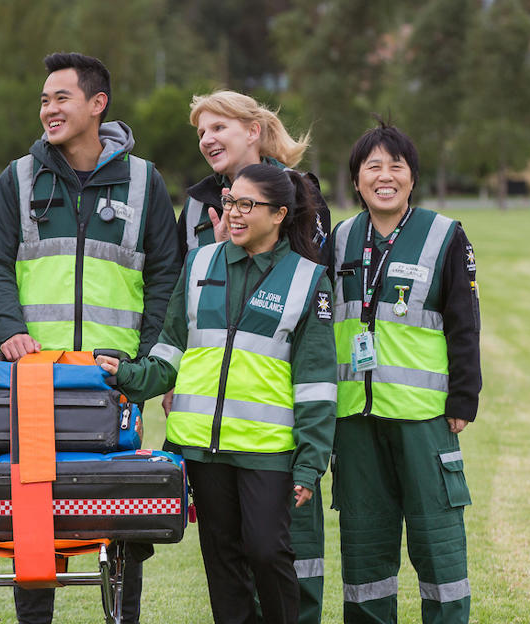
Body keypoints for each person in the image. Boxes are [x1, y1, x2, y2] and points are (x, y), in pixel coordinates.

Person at [0, 52, 180, 624]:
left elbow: (167, 274)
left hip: (114, 379)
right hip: (36, 378)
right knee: (34, 507)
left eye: (61, 97)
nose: (48, 109)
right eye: (43, 99)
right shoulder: (18, 177)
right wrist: (10, 331)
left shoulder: (145, 181)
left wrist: (142, 359)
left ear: (98, 104)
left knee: (122, 508)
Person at [98, 163, 337, 624]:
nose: (234, 213)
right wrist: (126, 374)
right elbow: (170, 350)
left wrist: (310, 463)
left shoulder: (308, 280)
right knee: (223, 565)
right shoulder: (200, 262)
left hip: (267, 451)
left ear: (280, 214)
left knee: (268, 553)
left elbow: (316, 382)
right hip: (202, 451)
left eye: (248, 205)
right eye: (230, 202)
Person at [176, 89, 333, 624]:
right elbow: (186, 298)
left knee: (280, 550)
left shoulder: (302, 193)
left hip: (275, 418)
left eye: (219, 127)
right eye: (201, 132)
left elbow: (305, 292)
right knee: (227, 557)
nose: (207, 139)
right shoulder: (198, 203)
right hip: (211, 420)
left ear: (254, 130)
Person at [329, 121, 479, 623]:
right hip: (355, 418)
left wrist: (463, 398)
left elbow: (464, 323)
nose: (385, 175)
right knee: (364, 549)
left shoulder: (445, 235)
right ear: (356, 180)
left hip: (424, 416)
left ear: (413, 177)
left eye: (397, 166)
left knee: (439, 544)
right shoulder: (341, 239)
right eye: (373, 166)